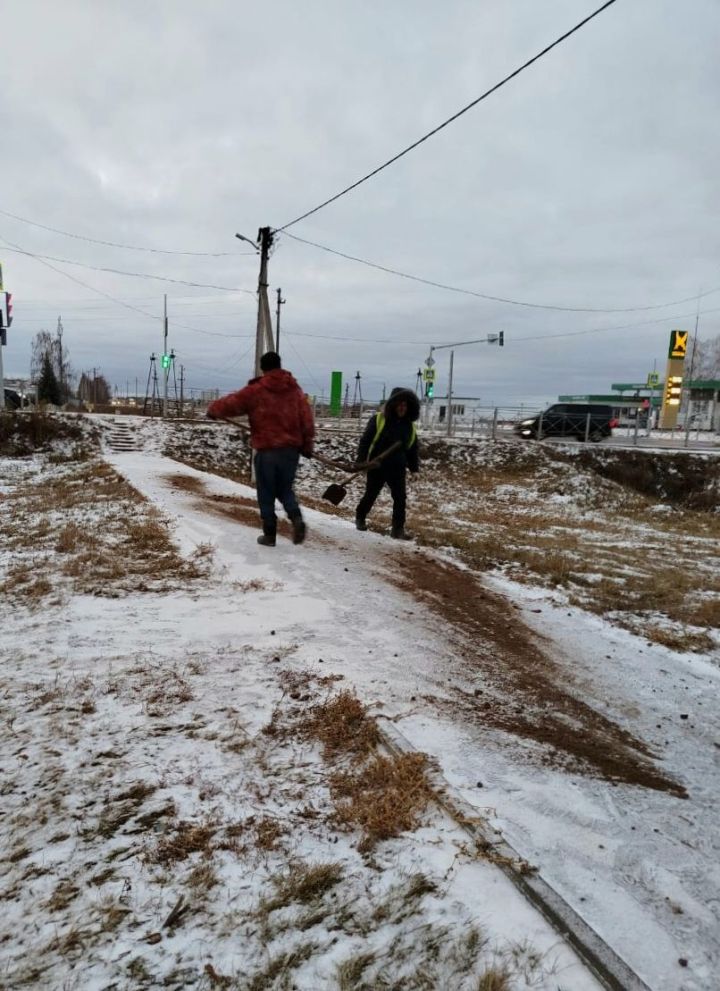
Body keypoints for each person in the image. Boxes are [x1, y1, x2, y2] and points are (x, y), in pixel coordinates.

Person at [207, 352, 314, 547]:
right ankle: (296, 518)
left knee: (266, 491)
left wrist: (213, 410)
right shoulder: (295, 391)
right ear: (280, 366)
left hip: (267, 450)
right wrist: (307, 445)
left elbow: (232, 403)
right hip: (290, 450)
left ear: (262, 368)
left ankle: (270, 534)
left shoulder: (257, 390)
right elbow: (307, 420)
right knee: (285, 489)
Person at [355, 387, 419, 539]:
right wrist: (362, 461)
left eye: (405, 405)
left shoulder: (409, 426)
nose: (402, 407)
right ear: (393, 405)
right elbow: (365, 441)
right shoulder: (378, 419)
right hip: (377, 466)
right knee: (371, 494)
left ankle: (397, 529)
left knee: (400, 497)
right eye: (399, 404)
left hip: (397, 468)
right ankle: (360, 517)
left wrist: (414, 468)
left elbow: (412, 448)